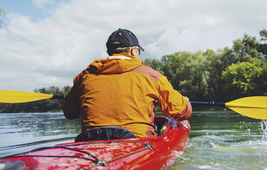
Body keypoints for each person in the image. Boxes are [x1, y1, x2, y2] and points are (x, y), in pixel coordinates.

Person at [63, 28, 192, 138]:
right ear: (132, 51)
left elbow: (69, 113)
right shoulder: (151, 76)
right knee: (182, 122)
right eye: (138, 51)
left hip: (91, 141)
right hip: (137, 142)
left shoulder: (83, 77)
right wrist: (185, 102)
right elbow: (180, 111)